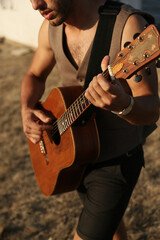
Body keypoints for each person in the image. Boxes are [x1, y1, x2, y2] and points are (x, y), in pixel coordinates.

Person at [21, 0, 159, 239]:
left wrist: (123, 105)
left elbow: (152, 108)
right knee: (113, 228)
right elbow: (35, 74)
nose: (35, 5)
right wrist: (26, 109)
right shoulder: (51, 25)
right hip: (76, 156)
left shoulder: (128, 25)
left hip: (116, 163)